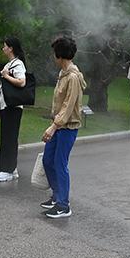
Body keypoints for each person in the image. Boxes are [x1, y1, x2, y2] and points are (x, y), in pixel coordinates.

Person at [41, 35, 86, 219]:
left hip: (67, 127)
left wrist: (53, 126)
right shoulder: (63, 73)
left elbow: (68, 107)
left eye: (55, 53)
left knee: (60, 164)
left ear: (60, 55)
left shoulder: (73, 77)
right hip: (59, 125)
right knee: (47, 161)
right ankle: (57, 196)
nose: (53, 57)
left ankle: (63, 205)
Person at [0, 35, 28, 182]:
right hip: (7, 107)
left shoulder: (18, 64)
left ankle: (7, 170)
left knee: (9, 138)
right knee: (8, 137)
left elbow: (21, 82)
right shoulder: (10, 64)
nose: (3, 48)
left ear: (11, 48)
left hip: (13, 107)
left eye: (5, 46)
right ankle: (11, 168)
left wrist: (6, 76)